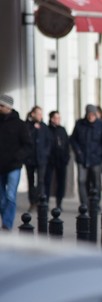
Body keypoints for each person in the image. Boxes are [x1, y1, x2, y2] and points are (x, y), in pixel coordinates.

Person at [0, 94, 33, 230]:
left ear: (8, 107)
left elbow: (28, 145)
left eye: (1, 105)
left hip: (14, 166)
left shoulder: (20, 124)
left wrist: (18, 157)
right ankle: (6, 219)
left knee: (10, 195)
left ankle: (7, 224)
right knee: (1, 199)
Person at [70, 104, 102, 207]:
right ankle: (84, 203)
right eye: (89, 114)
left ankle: (96, 203)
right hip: (82, 158)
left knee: (96, 182)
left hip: (96, 159)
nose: (91, 116)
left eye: (93, 114)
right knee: (82, 181)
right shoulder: (79, 124)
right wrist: (77, 151)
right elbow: (73, 139)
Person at [25, 105, 53, 212]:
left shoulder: (44, 127)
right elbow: (25, 140)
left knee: (41, 181)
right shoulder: (27, 125)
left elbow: (49, 142)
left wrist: (46, 153)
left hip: (41, 158)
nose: (40, 116)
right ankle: (32, 202)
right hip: (30, 158)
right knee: (31, 181)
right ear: (33, 114)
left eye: (41, 114)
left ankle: (41, 201)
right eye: (38, 113)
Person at [45, 110, 71, 211]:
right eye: (56, 118)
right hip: (50, 159)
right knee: (47, 181)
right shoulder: (47, 129)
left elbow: (67, 144)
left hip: (61, 159)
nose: (58, 120)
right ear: (52, 119)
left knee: (61, 182)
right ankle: (45, 202)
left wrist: (66, 157)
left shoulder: (62, 129)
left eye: (59, 118)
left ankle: (59, 203)